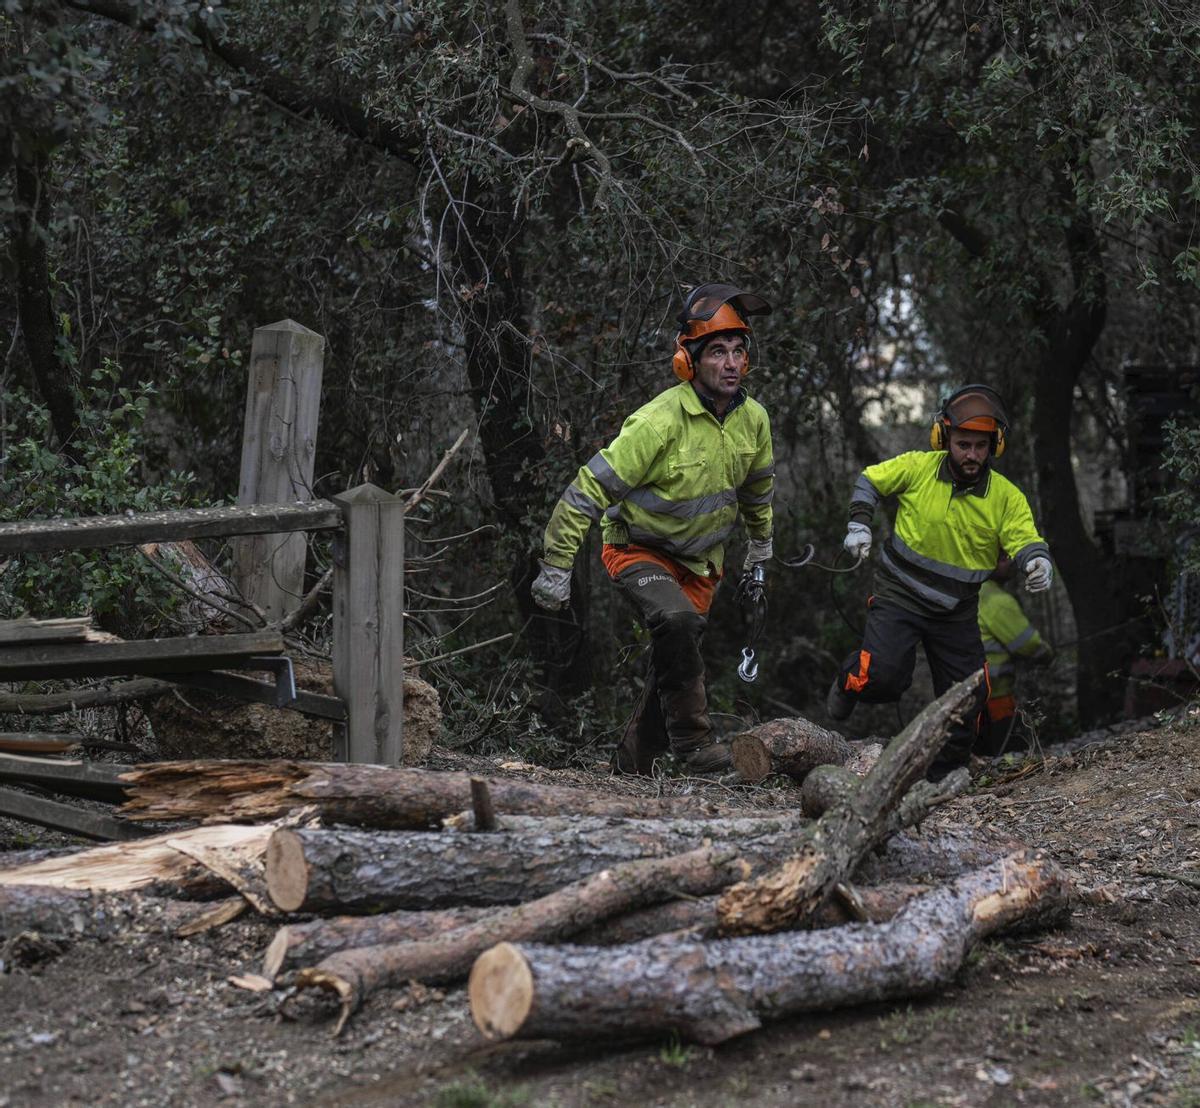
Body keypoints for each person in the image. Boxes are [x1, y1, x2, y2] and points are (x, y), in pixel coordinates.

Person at [530, 283, 776, 774]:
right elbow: (587, 489)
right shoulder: (658, 421)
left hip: (702, 564)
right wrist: (556, 565)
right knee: (678, 623)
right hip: (638, 548)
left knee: (673, 659)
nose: (730, 363)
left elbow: (758, 490)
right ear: (688, 361)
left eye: (737, 352)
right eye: (717, 352)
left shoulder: (754, 420)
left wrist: (761, 547)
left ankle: (629, 766)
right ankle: (695, 747)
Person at [825, 384, 1053, 777]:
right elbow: (870, 480)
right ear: (944, 438)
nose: (972, 455)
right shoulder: (917, 468)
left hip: (957, 610)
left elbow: (1024, 537)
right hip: (900, 593)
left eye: (981, 447)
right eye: (964, 445)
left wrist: (1037, 560)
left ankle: (944, 776)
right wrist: (859, 523)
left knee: (969, 696)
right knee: (883, 678)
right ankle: (849, 680)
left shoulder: (1005, 497)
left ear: (994, 446)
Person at [977, 554, 1054, 756]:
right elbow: (1028, 644)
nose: (1010, 562)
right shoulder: (996, 600)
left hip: (974, 697)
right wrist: (1046, 653)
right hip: (996, 695)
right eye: (1002, 558)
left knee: (983, 755)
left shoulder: (973, 595)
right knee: (1010, 755)